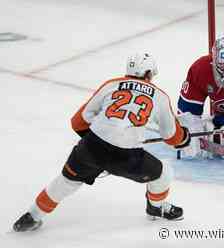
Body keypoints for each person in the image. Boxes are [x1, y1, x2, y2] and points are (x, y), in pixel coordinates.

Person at [13, 53, 191, 232]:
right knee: (164, 173)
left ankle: (31, 216)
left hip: (91, 147)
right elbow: (172, 136)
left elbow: (78, 121)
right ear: (147, 74)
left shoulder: (111, 85)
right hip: (127, 157)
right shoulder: (160, 96)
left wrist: (97, 146)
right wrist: (184, 138)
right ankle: (156, 208)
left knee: (65, 182)